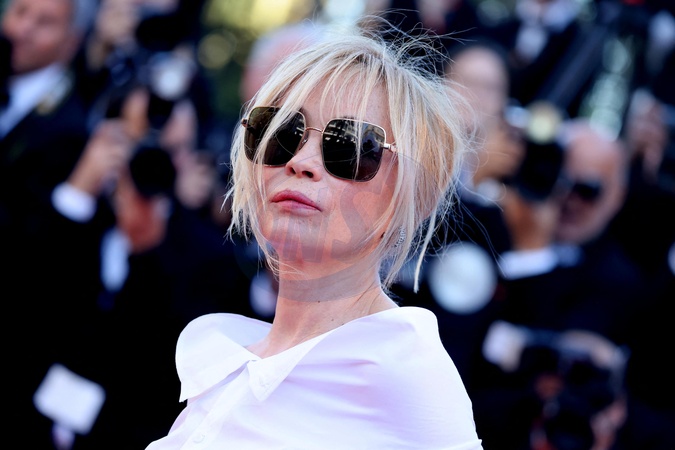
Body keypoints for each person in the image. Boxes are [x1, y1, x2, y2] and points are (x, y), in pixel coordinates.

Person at [146, 15, 483, 449]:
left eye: (349, 146)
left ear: (413, 194)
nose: (300, 162)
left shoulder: (409, 378)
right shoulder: (224, 362)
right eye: (282, 133)